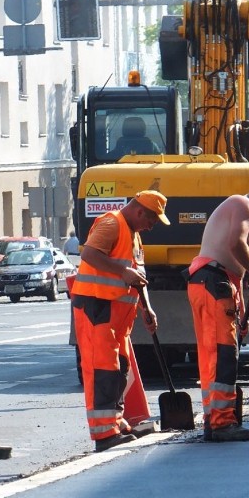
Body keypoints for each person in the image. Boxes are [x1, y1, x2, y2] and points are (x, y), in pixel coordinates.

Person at [186, 181, 249, 442]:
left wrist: (239, 309)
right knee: (223, 355)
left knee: (213, 355)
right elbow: (236, 244)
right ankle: (221, 423)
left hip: (209, 282)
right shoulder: (245, 204)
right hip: (213, 282)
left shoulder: (234, 205)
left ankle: (214, 419)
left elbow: (233, 269)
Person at [71, 190, 167, 452]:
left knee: (119, 369)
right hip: (97, 307)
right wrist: (122, 271)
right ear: (139, 211)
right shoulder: (112, 223)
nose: (152, 225)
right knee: (104, 370)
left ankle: (117, 423)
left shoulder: (133, 236)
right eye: (152, 219)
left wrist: (148, 309)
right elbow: (89, 254)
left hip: (116, 317)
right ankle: (104, 434)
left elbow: (138, 277)